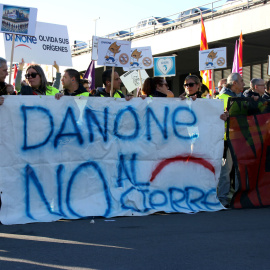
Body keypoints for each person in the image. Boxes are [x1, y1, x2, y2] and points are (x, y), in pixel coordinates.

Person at [217, 73, 245, 207]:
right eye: (241, 81)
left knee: (237, 170)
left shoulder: (239, 97)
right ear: (234, 83)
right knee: (226, 171)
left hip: (237, 138)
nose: (243, 84)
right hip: (227, 140)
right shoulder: (222, 98)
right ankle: (223, 198)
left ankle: (236, 198)